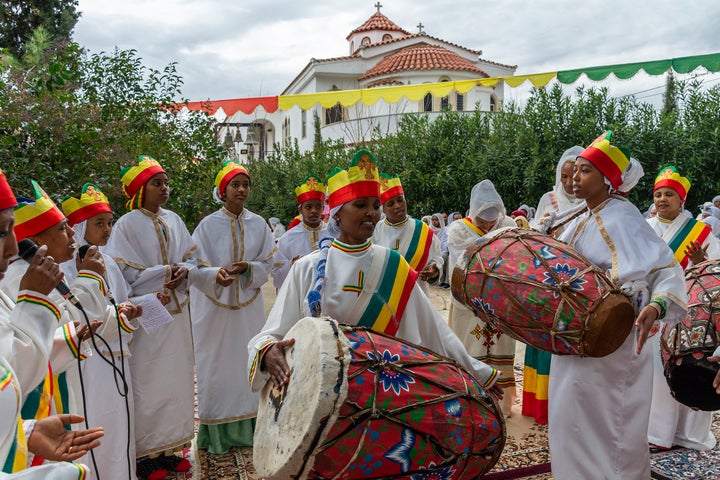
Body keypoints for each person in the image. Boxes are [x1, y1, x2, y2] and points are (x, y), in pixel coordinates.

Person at [248, 150, 502, 402]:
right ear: (337, 213)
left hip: (387, 400)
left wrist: (477, 371)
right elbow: (272, 333)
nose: (372, 213)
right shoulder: (307, 268)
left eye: (375, 206)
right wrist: (267, 351)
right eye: (360, 205)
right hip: (325, 401)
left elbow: (434, 329)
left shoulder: (392, 264)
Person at [548, 132, 687, 479]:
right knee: (568, 413)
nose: (575, 178)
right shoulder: (573, 219)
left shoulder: (625, 218)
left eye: (585, 171)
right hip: (572, 339)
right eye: (575, 170)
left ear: (608, 179)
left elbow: (667, 271)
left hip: (616, 343)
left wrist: (655, 306)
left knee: (609, 423)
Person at [0, 168, 104, 478]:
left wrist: (68, 339)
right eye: (3, 232)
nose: (11, 248)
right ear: (37, 242)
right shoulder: (17, 279)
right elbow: (12, 369)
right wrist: (38, 303)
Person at [104, 155, 196, 477]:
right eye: (157, 183)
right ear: (139, 191)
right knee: (150, 383)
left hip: (177, 314)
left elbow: (193, 260)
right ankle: (146, 457)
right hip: (147, 319)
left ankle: (172, 450)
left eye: (166, 183)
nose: (164, 189)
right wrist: (165, 272)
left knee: (177, 381)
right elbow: (123, 274)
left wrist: (185, 271)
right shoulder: (126, 226)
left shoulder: (175, 220)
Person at [190, 161, 276, 455]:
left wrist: (249, 268)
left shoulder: (259, 223)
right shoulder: (206, 226)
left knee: (250, 362)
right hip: (215, 312)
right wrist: (215, 274)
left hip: (249, 310)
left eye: (245, 184)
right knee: (216, 367)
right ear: (222, 191)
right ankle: (217, 434)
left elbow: (270, 263)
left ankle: (254, 425)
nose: (241, 190)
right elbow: (193, 268)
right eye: (235, 185)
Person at [61, 183, 143, 480]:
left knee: (121, 421)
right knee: (95, 419)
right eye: (99, 224)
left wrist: (127, 311)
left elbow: (117, 301)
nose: (107, 230)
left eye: (110, 223)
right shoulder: (65, 268)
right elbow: (77, 316)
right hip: (88, 363)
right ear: (80, 227)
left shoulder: (108, 262)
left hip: (116, 356)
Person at [645, 166, 718, 452]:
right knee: (656, 376)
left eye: (669, 194)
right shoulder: (645, 229)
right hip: (656, 314)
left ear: (682, 200)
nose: (662, 199)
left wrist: (701, 262)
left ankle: (688, 435)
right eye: (658, 194)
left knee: (693, 368)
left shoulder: (701, 232)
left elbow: (714, 273)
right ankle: (658, 435)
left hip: (693, 316)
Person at [446, 180, 517, 416]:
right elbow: (461, 266)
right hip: (470, 305)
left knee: (499, 350)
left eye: (492, 222)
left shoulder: (508, 225)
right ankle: (473, 400)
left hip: (499, 304)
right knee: (470, 349)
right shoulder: (458, 230)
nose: (488, 227)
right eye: (482, 221)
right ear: (473, 213)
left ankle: (502, 405)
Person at [372, 174, 443, 293]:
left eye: (400, 200)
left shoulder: (423, 230)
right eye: (391, 204)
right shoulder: (375, 231)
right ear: (382, 209)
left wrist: (434, 269)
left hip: (417, 294)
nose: (398, 206)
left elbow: (437, 257)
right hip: (386, 296)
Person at [272, 174, 333, 289]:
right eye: (308, 207)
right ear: (300, 209)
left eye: (318, 206)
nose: (314, 211)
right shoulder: (287, 238)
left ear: (322, 208)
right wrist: (291, 265)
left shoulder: (332, 234)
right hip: (299, 292)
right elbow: (276, 275)